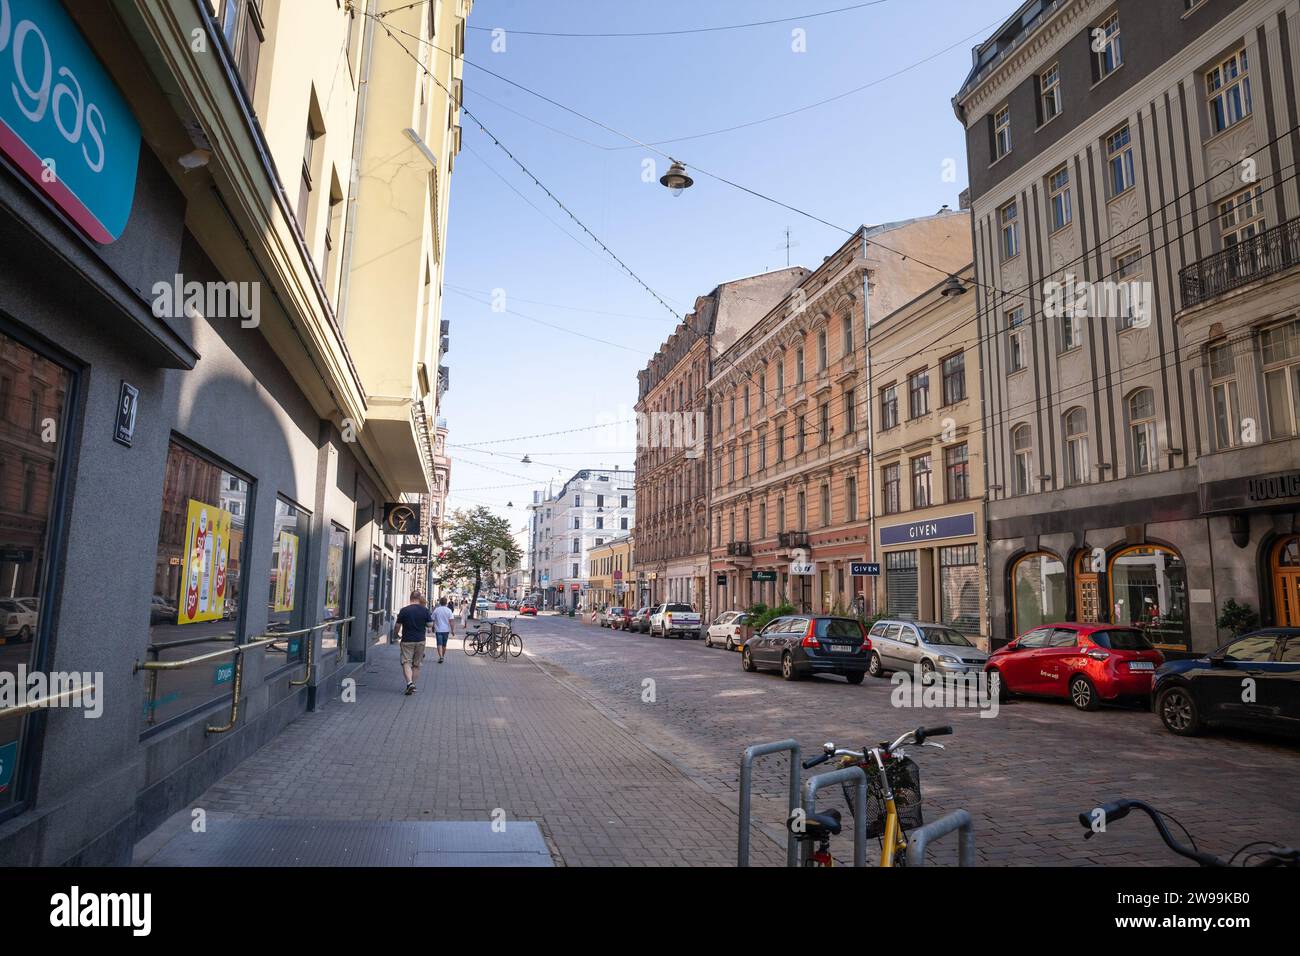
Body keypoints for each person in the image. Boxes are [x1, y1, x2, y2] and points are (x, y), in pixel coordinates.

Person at [395, 590, 433, 695]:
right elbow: (430, 625)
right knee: (416, 665)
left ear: (410, 598)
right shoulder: (425, 610)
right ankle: (413, 685)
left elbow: (397, 626)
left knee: (406, 662)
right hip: (420, 640)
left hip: (407, 640)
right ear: (419, 598)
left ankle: (409, 683)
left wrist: (396, 634)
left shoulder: (404, 610)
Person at [430, 596, 455, 663]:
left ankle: (441, 656)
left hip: (438, 630)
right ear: (446, 603)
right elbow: (451, 621)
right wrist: (452, 630)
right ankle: (442, 656)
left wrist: (432, 627)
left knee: (439, 644)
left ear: (440, 602)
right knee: (444, 644)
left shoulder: (436, 610)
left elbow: (432, 619)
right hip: (446, 630)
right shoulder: (449, 610)